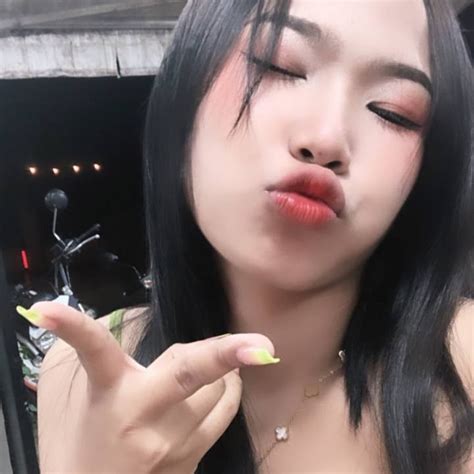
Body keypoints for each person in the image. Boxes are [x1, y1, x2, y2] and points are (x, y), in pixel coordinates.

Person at [17, 0, 473, 472]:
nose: (325, 138)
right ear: (186, 89)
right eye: (278, 65)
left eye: (393, 112)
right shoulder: (76, 375)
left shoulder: (464, 363)